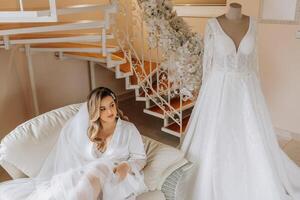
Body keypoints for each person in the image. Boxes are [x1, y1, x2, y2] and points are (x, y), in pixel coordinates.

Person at [180, 3, 300, 200]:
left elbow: (254, 62)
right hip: (219, 89)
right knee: (216, 135)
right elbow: (207, 64)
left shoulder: (253, 23)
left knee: (251, 133)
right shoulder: (213, 24)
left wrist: (256, 93)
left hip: (247, 88)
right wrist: (204, 95)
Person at [0, 87, 148, 200]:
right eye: (103, 109)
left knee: (99, 168)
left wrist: (126, 166)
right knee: (65, 187)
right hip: (91, 176)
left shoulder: (128, 130)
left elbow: (140, 158)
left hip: (118, 177)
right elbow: (77, 157)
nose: (110, 111)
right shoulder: (90, 131)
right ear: (95, 111)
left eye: (111, 105)